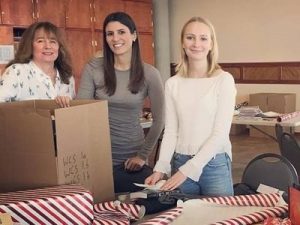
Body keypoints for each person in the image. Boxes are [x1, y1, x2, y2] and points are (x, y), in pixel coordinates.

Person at [145, 16, 237, 197]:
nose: (196, 44)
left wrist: (188, 170)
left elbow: (220, 134)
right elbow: (171, 131)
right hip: (180, 161)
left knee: (220, 218)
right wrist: (161, 167)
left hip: (214, 163)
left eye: (203, 38)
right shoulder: (173, 83)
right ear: (182, 43)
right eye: (190, 37)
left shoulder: (223, 80)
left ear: (211, 44)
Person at [77, 12, 165, 193]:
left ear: (133, 35)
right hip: (97, 154)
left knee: (135, 207)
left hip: (132, 158)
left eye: (121, 32)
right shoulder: (93, 69)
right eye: (110, 34)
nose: (115, 38)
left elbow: (160, 120)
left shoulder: (150, 73)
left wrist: (142, 156)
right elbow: (80, 108)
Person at [0, 21, 75, 107]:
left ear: (59, 47)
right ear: (30, 46)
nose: (48, 46)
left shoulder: (68, 77)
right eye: (40, 41)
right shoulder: (16, 72)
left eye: (53, 41)